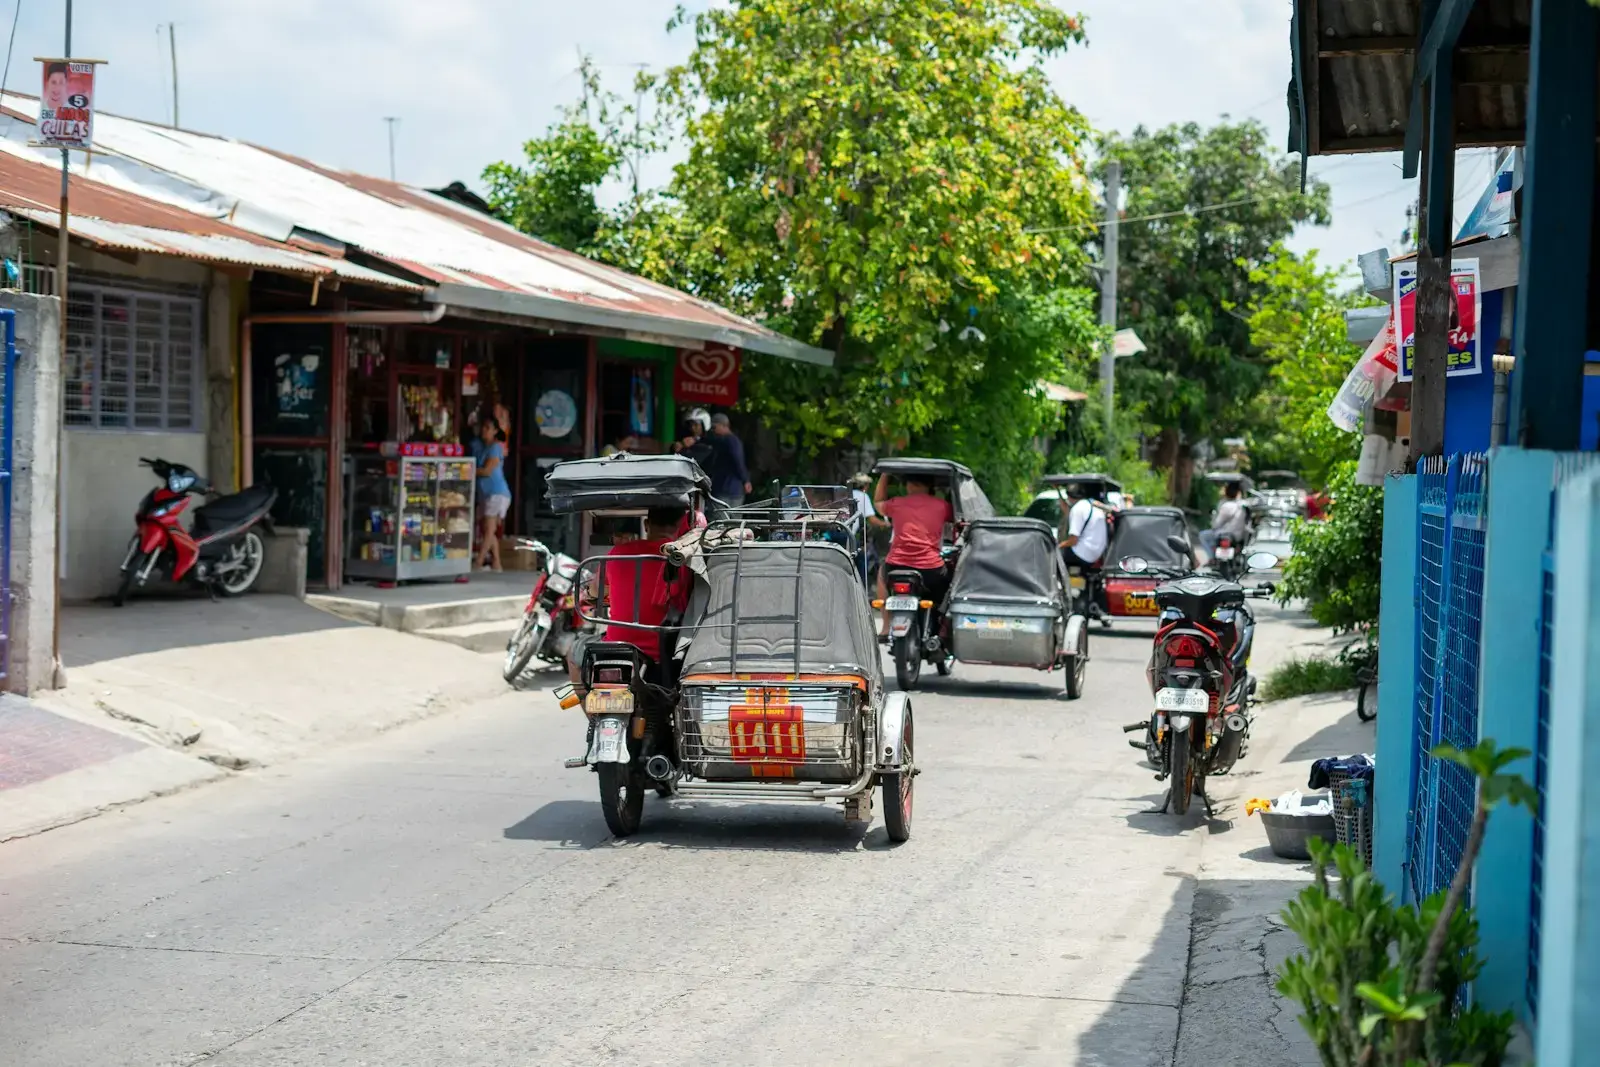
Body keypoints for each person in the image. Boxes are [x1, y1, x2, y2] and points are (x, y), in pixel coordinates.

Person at [600, 506, 691, 669]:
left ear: (646, 525)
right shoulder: (683, 560)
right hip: (668, 652)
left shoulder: (617, 552)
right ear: (681, 527)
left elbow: (596, 590)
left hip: (618, 648)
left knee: (575, 651)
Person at [874, 472, 954, 639]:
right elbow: (959, 517)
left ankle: (886, 627)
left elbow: (878, 503)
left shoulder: (896, 503)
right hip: (931, 570)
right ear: (930, 486)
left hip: (895, 567)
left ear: (908, 485)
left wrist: (885, 475)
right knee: (949, 586)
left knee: (882, 571)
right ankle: (942, 630)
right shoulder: (942, 506)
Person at [473, 416, 511, 570]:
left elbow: (487, 471)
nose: (484, 430)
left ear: (495, 431)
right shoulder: (482, 448)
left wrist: (468, 471)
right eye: (483, 427)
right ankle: (496, 562)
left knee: (489, 529)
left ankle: (479, 561)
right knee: (488, 529)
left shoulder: (495, 447)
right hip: (486, 493)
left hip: (496, 493)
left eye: (488, 428)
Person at [704, 413, 751, 509]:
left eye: (714, 427)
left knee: (719, 517)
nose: (713, 430)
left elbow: (738, 461)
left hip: (725, 490)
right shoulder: (728, 441)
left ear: (723, 425)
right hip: (735, 490)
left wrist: (746, 480)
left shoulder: (729, 441)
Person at [1058, 484, 1109, 569]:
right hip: (1096, 553)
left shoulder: (1077, 509)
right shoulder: (1093, 505)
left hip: (1083, 554)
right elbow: (1066, 509)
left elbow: (1073, 541)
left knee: (1054, 555)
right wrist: (1058, 490)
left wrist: (1058, 546)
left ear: (1069, 497)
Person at [1200, 480, 1252, 557]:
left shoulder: (1226, 505)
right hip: (1239, 536)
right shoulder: (1245, 504)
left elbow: (1216, 524)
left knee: (1203, 535)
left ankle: (1211, 557)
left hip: (1224, 534)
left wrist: (1213, 524)